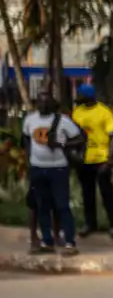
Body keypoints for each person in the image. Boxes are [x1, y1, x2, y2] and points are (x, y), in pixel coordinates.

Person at [23, 92, 81, 256]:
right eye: (40, 102)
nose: (42, 105)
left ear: (52, 104)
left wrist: (61, 143)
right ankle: (47, 241)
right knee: (42, 206)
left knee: (62, 206)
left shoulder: (62, 121)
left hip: (58, 168)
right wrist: (30, 156)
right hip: (37, 168)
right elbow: (26, 138)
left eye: (46, 102)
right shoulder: (30, 120)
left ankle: (70, 242)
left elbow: (79, 139)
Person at [70, 83, 113, 238]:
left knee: (107, 193)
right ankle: (90, 223)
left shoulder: (104, 112)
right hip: (83, 159)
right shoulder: (77, 112)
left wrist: (110, 160)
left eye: (80, 95)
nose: (77, 98)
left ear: (87, 96)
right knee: (87, 194)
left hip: (101, 159)